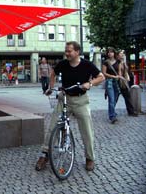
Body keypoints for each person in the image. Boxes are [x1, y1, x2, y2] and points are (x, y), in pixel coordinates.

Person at [35, 41, 104, 172]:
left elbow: (101, 77)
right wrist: (51, 87)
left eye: (69, 51)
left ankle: (90, 158)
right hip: (64, 99)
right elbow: (53, 73)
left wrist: (90, 83)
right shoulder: (63, 64)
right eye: (66, 51)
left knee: (87, 130)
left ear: (77, 52)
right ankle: (45, 155)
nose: (66, 53)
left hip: (81, 101)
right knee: (53, 126)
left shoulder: (87, 65)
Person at [102, 48, 121, 123]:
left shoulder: (118, 61)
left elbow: (119, 71)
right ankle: (112, 116)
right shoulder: (105, 62)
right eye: (108, 52)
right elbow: (104, 73)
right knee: (111, 100)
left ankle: (112, 111)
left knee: (115, 99)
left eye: (111, 52)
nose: (110, 53)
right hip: (109, 82)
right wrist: (113, 76)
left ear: (114, 53)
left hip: (117, 82)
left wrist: (119, 77)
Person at [116, 50, 138, 116]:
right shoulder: (118, 63)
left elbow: (126, 71)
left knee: (127, 96)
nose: (122, 55)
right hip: (120, 81)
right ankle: (111, 112)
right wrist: (123, 79)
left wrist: (127, 77)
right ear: (117, 55)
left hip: (124, 81)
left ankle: (131, 111)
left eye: (123, 54)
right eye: (121, 54)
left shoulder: (124, 62)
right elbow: (119, 73)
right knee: (115, 98)